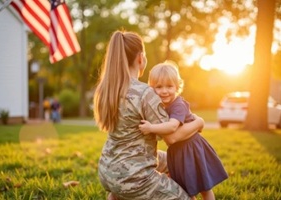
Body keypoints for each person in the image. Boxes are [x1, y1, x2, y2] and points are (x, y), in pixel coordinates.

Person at [93, 30, 204, 200]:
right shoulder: (145, 93)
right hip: (133, 177)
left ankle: (117, 194)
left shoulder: (106, 89)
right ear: (140, 58)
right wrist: (199, 122)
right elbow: (171, 138)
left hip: (107, 169)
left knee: (174, 160)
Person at [139, 61, 228, 200]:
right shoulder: (160, 106)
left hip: (191, 149)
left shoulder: (178, 105)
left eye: (169, 86)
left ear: (177, 87)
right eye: (159, 87)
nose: (164, 91)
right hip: (177, 152)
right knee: (185, 190)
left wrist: (151, 128)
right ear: (152, 88)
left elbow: (173, 126)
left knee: (204, 188)